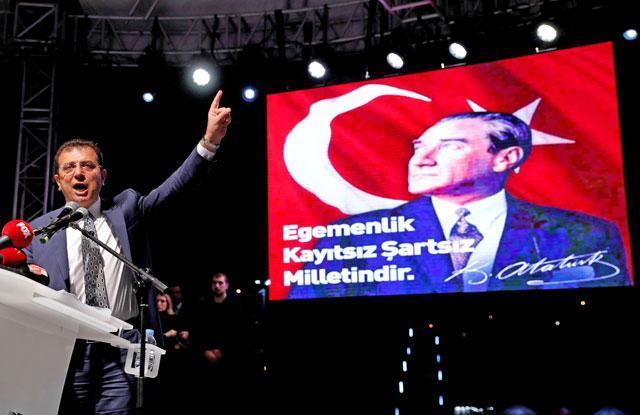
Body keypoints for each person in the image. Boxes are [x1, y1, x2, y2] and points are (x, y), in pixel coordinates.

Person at [24, 90, 231, 414]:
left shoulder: (127, 210)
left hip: (120, 350)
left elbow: (174, 189)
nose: (79, 173)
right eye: (69, 168)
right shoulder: (38, 233)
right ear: (58, 180)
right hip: (67, 354)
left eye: (87, 165)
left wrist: (209, 142)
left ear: (102, 176)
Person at [287, 112, 630, 299]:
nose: (421, 159)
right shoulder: (352, 237)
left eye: (450, 146)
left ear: (505, 158)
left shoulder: (582, 234)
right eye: (419, 146)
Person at [191, 272, 253, 414]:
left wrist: (222, 351)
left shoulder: (236, 306)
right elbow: (198, 331)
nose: (217, 286)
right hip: (206, 357)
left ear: (227, 285)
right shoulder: (204, 305)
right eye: (214, 283)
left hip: (229, 359)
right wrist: (205, 350)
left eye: (220, 283)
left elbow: (240, 333)